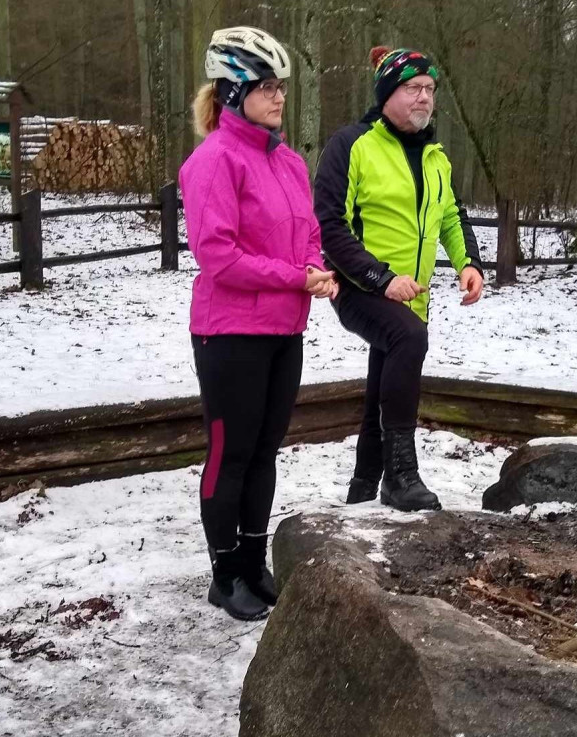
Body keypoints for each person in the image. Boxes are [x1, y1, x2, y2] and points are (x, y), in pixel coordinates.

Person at [180, 26, 337, 621]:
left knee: (266, 450)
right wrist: (295, 277)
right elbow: (217, 256)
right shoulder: (213, 161)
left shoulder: (290, 161)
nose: (278, 98)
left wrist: (317, 266)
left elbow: (309, 233)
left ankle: (253, 562)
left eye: (281, 88)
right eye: (267, 88)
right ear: (232, 92)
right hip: (229, 334)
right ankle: (225, 574)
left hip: (282, 330)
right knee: (231, 453)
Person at [314, 47, 484, 513]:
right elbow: (329, 227)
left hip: (413, 295)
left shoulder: (436, 157)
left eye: (430, 89)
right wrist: (381, 278)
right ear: (388, 92)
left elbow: (451, 214)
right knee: (408, 338)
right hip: (359, 286)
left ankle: (364, 486)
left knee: (383, 381)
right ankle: (401, 476)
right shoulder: (353, 145)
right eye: (413, 88)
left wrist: (469, 262)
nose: (424, 97)